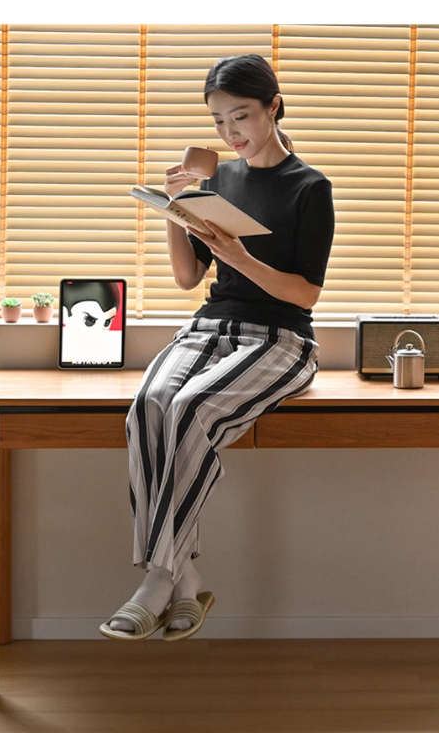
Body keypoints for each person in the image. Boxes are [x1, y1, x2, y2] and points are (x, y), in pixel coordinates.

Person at [100, 54, 335, 642]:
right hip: (210, 329)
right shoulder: (220, 180)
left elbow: (304, 294)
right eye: (219, 122)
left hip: (281, 339)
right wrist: (175, 210)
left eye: (243, 117)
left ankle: (159, 577)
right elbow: (186, 279)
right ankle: (189, 578)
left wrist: (239, 257)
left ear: (273, 107)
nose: (232, 134)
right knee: (150, 404)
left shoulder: (310, 187)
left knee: (190, 408)